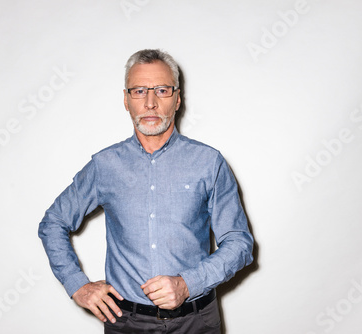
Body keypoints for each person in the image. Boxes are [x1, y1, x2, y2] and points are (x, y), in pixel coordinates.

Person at [38, 49, 254, 334]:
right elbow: (53, 222)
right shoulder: (105, 166)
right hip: (127, 323)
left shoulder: (209, 163)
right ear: (126, 100)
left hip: (196, 321)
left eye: (161, 90)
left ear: (177, 99)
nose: (150, 103)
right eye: (139, 91)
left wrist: (187, 283)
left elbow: (239, 243)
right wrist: (77, 285)